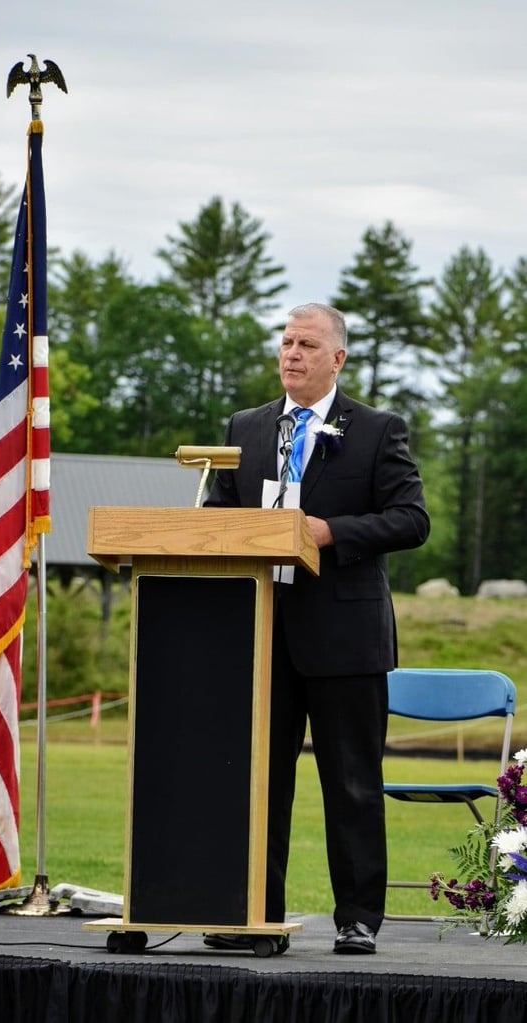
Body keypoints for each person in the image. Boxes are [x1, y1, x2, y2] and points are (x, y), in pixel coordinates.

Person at [203, 303, 430, 955]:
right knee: (258, 780)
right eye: (285, 341)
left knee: (352, 782)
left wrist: (334, 532)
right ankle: (254, 915)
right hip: (260, 634)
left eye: (307, 343)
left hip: (346, 637)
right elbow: (221, 517)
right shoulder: (243, 428)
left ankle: (358, 917)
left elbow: (412, 519)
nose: (292, 353)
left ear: (338, 358)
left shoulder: (377, 430)